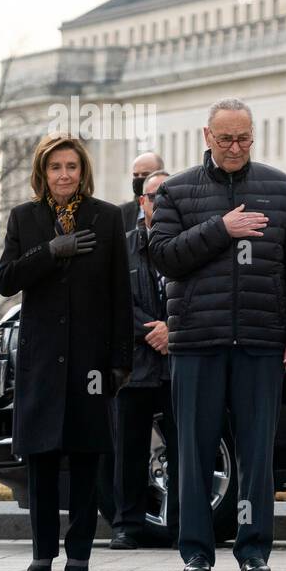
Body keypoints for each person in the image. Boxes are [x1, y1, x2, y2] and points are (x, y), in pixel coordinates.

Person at [149, 98, 286, 571]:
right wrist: (220, 229)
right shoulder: (178, 192)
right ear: (206, 137)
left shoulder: (279, 188)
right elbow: (164, 257)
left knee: (256, 452)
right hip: (197, 342)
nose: (235, 148)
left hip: (261, 342)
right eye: (225, 139)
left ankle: (254, 548)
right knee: (195, 452)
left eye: (244, 138)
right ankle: (197, 549)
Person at [0, 134, 133, 571]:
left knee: (88, 452)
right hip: (41, 359)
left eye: (71, 167)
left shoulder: (107, 217)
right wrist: (50, 251)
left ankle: (79, 551)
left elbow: (119, 293)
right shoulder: (24, 218)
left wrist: (119, 359)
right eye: (56, 168)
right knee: (42, 457)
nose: (64, 175)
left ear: (82, 171)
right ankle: (42, 551)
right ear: (43, 173)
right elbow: (6, 280)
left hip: (90, 357)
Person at [111, 169, 178, 549]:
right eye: (154, 197)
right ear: (142, 202)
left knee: (184, 448)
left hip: (178, 363)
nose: (160, 204)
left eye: (167, 198)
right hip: (135, 365)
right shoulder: (122, 247)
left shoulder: (191, 244)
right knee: (129, 450)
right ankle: (127, 525)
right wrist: (150, 331)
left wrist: (172, 328)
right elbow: (114, 300)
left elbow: (204, 295)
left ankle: (183, 525)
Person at [120, 151, 164, 232]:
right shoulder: (121, 212)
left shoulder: (172, 209)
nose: (139, 178)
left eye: (145, 174)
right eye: (136, 175)